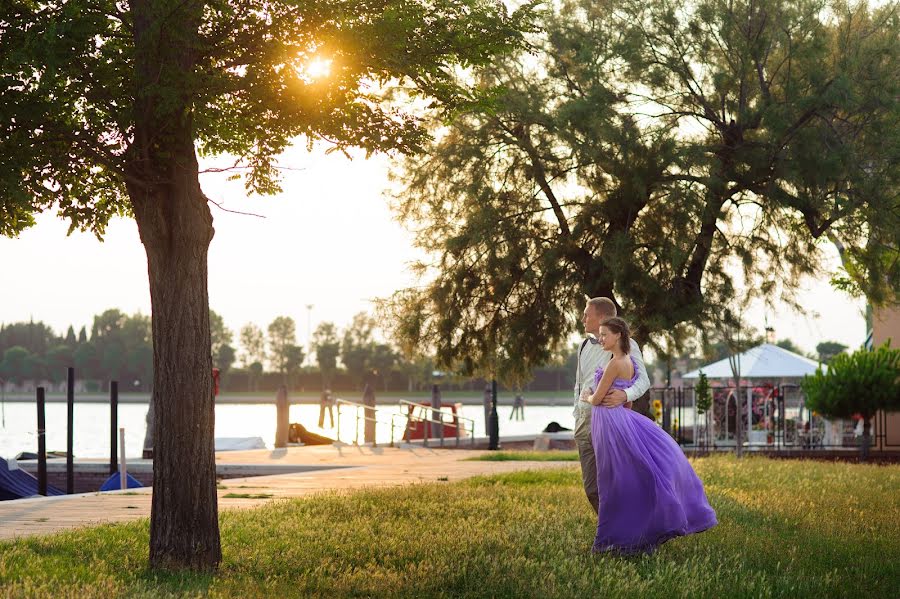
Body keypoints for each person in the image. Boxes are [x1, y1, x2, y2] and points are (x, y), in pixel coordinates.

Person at [582, 317, 717, 554]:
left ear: (618, 336)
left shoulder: (615, 364)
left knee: (613, 480)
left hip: (610, 424)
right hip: (618, 420)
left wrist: (587, 396)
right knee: (628, 476)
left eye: (604, 334)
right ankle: (638, 535)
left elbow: (598, 398)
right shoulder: (629, 361)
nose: (601, 338)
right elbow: (628, 402)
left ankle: (614, 540)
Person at [574, 297, 651, 514]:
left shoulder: (628, 346)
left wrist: (624, 395)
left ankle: (624, 532)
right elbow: (579, 384)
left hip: (608, 421)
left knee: (615, 483)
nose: (582, 318)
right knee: (591, 487)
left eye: (587, 314)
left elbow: (643, 380)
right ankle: (612, 531)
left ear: (602, 317)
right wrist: (577, 414)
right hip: (584, 422)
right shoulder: (582, 346)